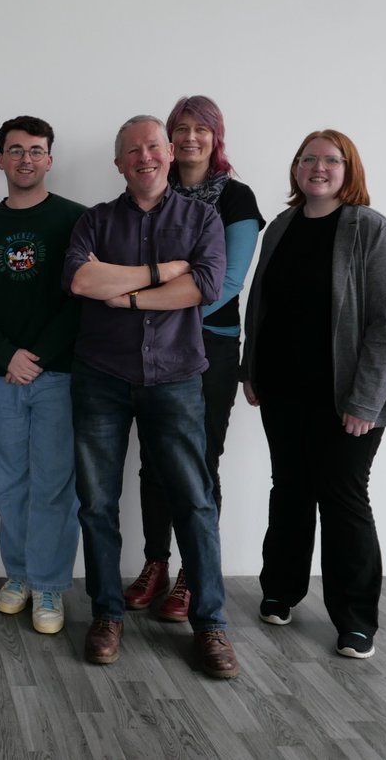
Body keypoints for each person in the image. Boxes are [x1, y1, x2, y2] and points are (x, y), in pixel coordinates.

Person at [63, 114, 239, 679]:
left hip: (178, 378)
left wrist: (132, 296)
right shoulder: (94, 220)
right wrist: (163, 272)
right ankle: (106, 614)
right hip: (101, 379)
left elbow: (204, 287)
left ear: (169, 153)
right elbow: (83, 282)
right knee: (97, 503)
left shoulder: (202, 217)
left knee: (194, 500)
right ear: (118, 163)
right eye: (132, 150)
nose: (145, 157)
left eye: (153, 147)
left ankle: (210, 625)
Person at [242, 129, 386, 660]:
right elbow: (260, 305)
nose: (318, 167)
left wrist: (364, 401)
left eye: (330, 160)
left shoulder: (372, 230)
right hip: (285, 390)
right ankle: (281, 592)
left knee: (343, 498)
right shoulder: (283, 227)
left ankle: (357, 620)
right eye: (307, 159)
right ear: (295, 169)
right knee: (288, 489)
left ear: (348, 169)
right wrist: (252, 370)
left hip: (347, 399)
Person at [124, 96, 265, 622]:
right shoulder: (152, 190)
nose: (188, 139)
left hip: (210, 345)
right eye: (179, 129)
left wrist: (150, 291)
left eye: (199, 129)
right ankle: (155, 564)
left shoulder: (236, 198)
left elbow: (224, 284)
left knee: (199, 462)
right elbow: (130, 265)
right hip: (150, 342)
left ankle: (192, 575)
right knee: (154, 461)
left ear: (216, 136)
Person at [0, 115, 85, 634]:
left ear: (50, 159)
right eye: (16, 150)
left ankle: (51, 584)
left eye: (36, 150)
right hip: (0, 377)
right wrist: (6, 355)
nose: (26, 159)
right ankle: (17, 575)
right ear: (0, 160)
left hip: (58, 375)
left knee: (55, 486)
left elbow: (81, 298)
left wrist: (35, 355)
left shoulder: (77, 220)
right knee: (9, 484)